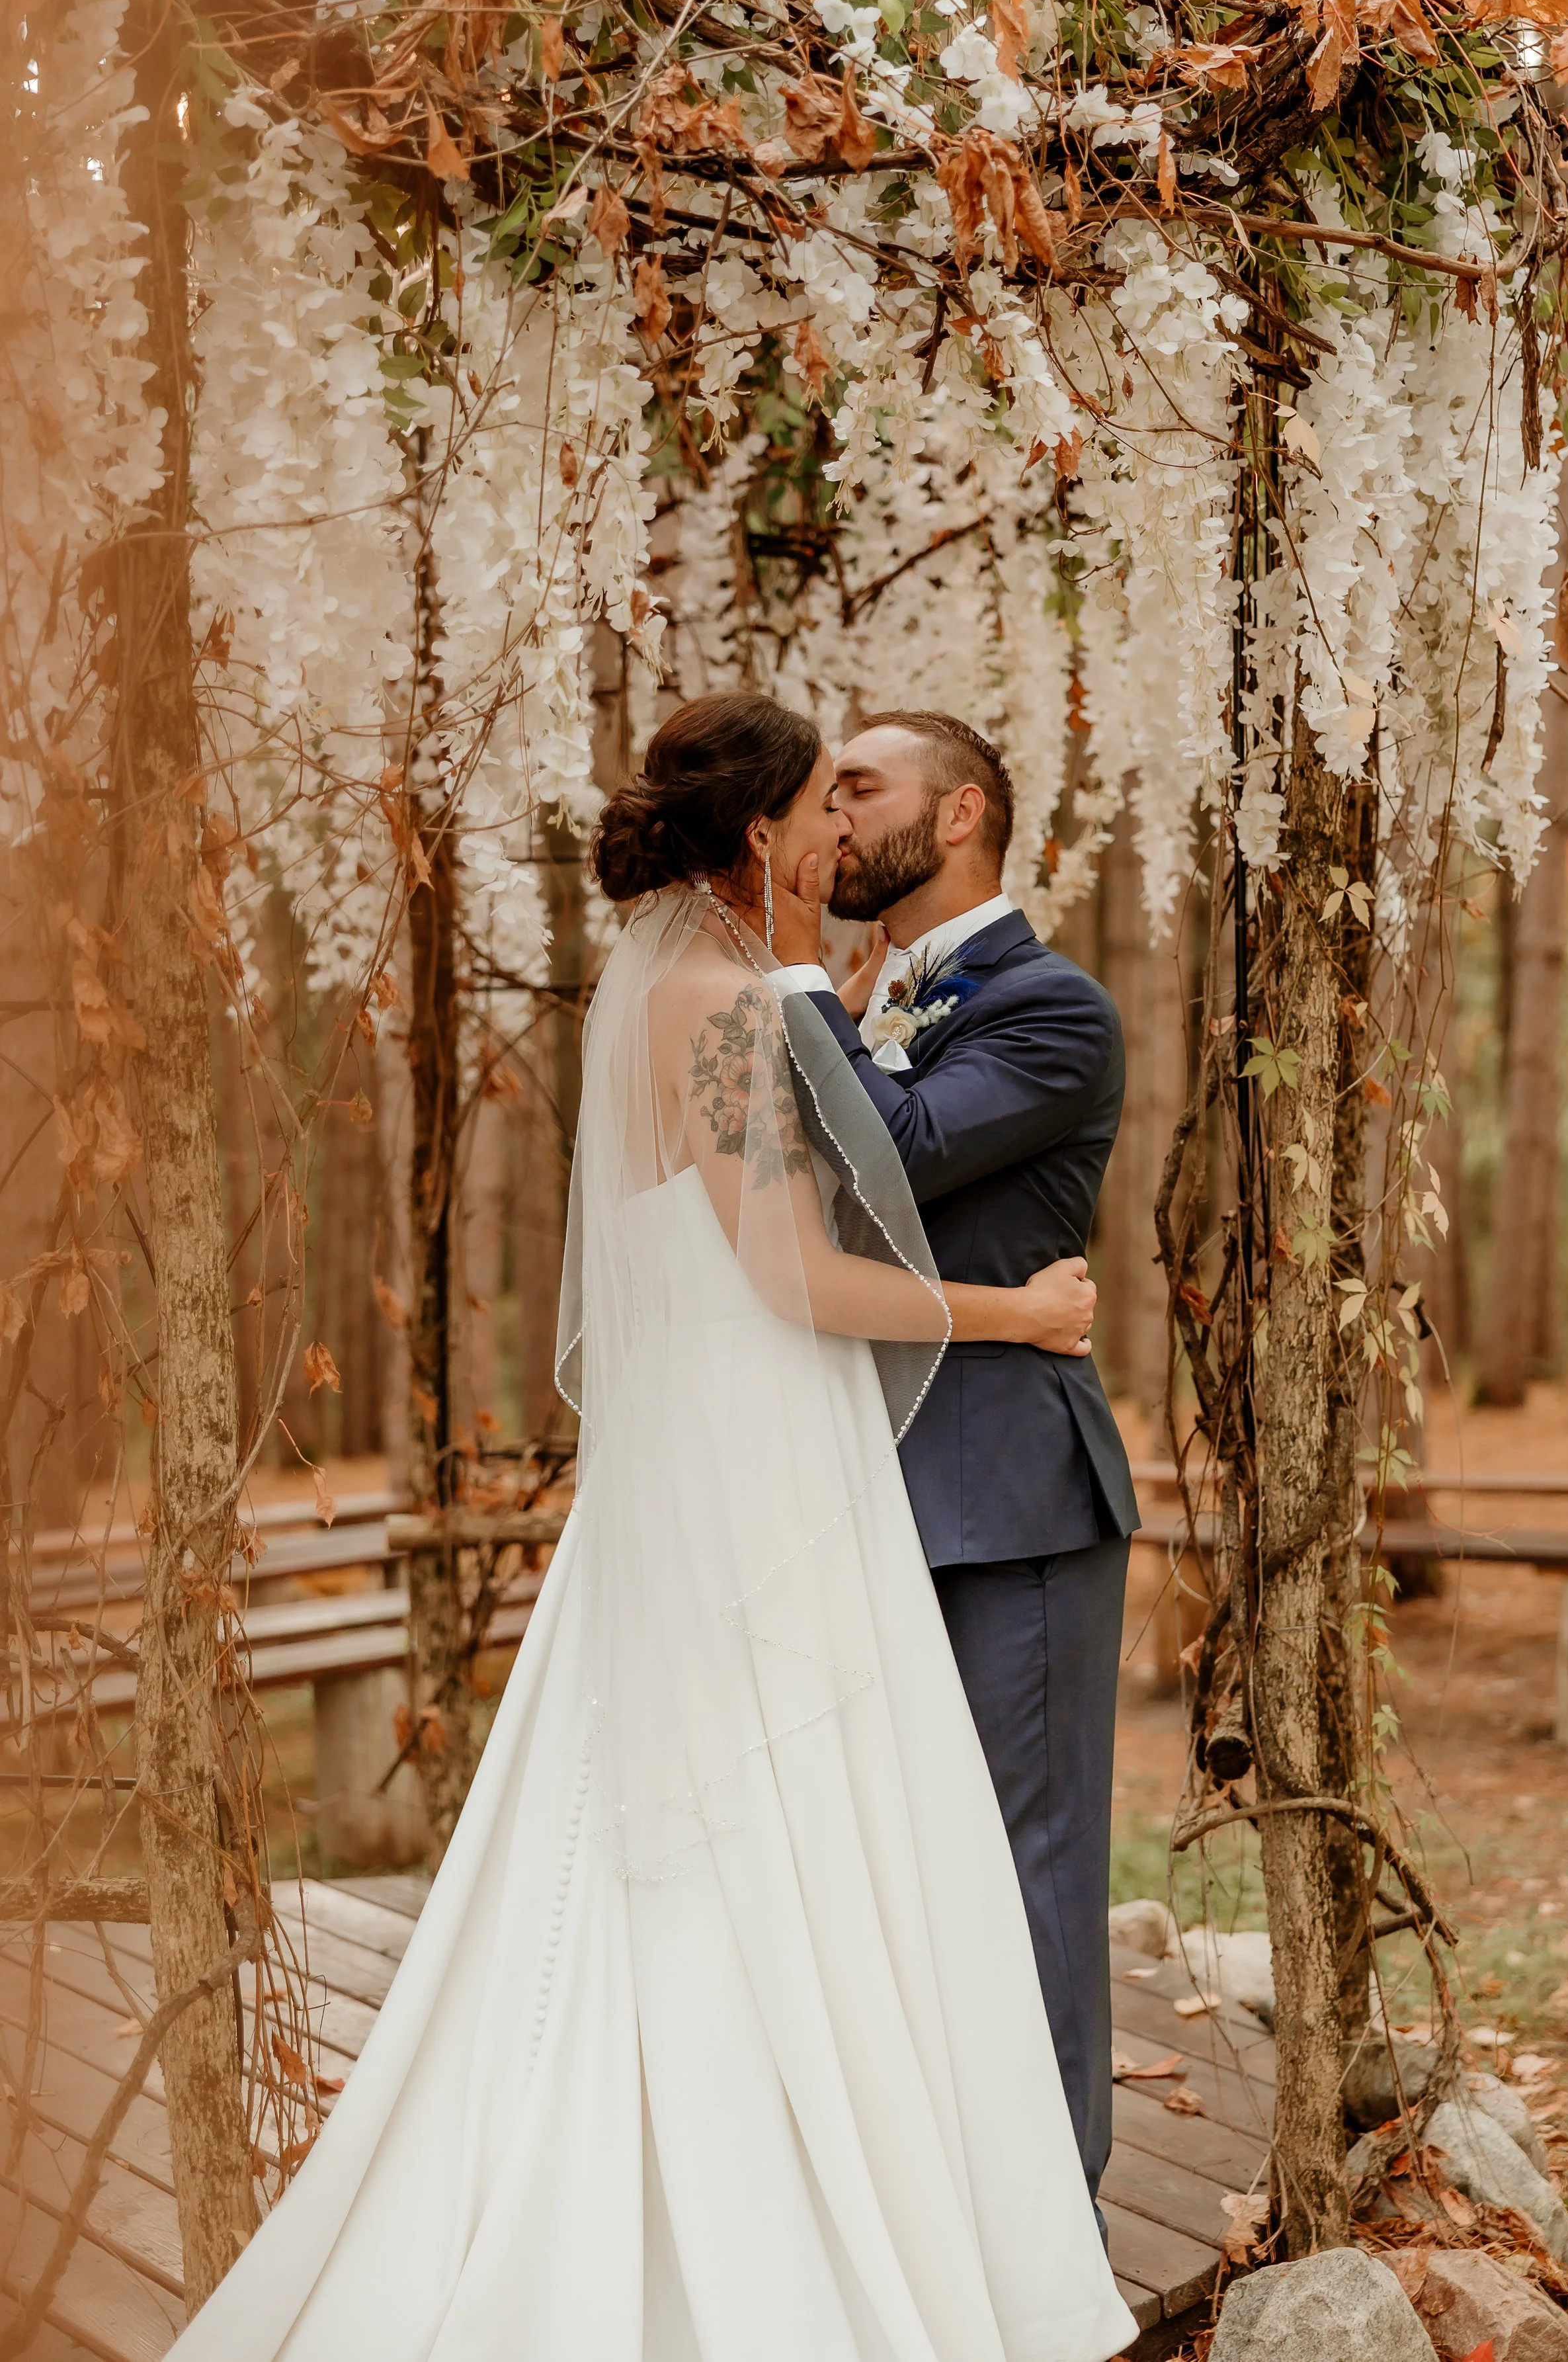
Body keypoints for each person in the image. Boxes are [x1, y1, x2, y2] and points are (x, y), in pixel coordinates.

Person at [170, 691, 1137, 2362]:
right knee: (793, 1828)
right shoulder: (736, 1006)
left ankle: (759, 2174)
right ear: (760, 835)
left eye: (866, 800)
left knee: (685, 1824)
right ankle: (817, 2220)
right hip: (762, 1453)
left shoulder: (674, 998)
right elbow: (795, 1275)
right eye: (819, 810)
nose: (842, 837)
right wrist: (1021, 1316)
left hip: (696, 1466)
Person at [766, 711, 1138, 2205]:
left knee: (1023, 1855)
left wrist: (785, 968)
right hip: (846, 1488)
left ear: (962, 813)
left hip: (1007, 1500)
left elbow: (898, 1152)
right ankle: (924, 2204)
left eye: (858, 786)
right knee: (887, 1861)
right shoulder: (857, 997)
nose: (832, 815)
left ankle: (1052, 2220)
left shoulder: (1054, 1011)